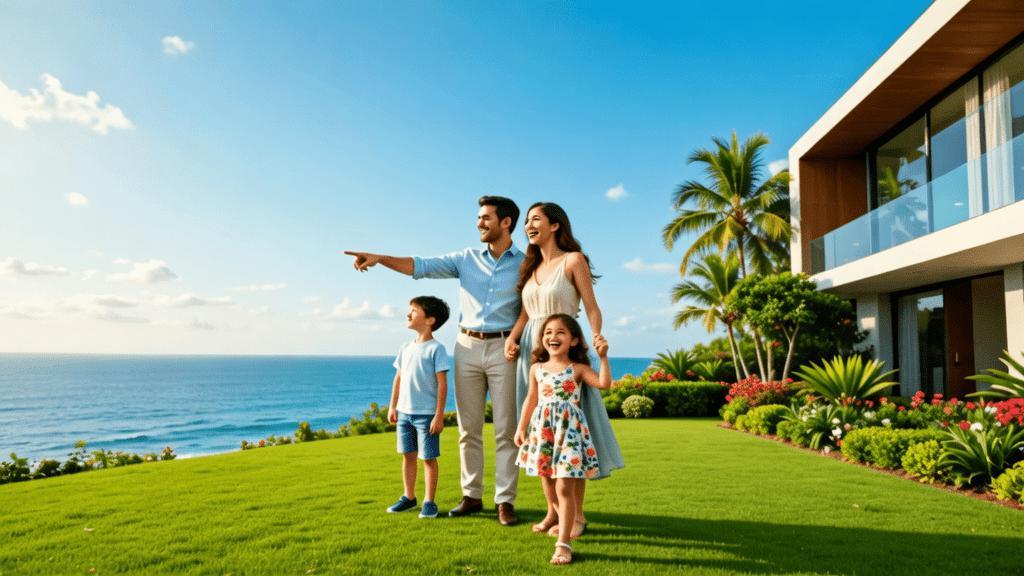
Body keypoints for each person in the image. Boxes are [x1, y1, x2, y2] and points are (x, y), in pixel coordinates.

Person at [344, 196, 524, 526]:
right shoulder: (466, 259)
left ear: (506, 222)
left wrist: (521, 337)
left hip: (505, 348)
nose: (479, 223)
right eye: (478, 218)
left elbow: (532, 304)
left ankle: (505, 501)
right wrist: (380, 258)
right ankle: (472, 496)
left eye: (486, 218)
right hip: (467, 347)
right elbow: (420, 266)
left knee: (504, 430)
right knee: (468, 429)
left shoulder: (526, 263)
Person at [505, 201, 624, 539]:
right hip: (533, 352)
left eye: (536, 219)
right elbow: (527, 314)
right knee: (541, 436)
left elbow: (590, 306)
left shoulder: (573, 261)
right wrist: (513, 339)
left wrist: (597, 336)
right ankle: (553, 513)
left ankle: (577, 516)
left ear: (555, 225)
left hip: (566, 346)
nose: (528, 225)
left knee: (570, 438)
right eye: (526, 221)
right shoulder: (530, 270)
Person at [515, 314, 611, 565]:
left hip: (570, 432)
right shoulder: (536, 368)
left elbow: (603, 383)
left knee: (564, 486)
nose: (552, 337)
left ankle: (563, 544)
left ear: (574, 340)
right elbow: (531, 399)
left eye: (560, 332)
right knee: (546, 480)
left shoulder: (578, 369)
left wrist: (603, 357)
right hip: (543, 431)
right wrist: (521, 428)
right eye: (548, 332)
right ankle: (563, 520)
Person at [385, 296, 451, 519]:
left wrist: (439, 416)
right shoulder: (405, 348)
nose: (408, 314)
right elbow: (398, 379)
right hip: (404, 414)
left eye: (414, 310)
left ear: (430, 320)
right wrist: (392, 407)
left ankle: (429, 502)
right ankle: (408, 497)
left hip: (426, 416)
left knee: (429, 459)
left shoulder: (436, 349)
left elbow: (442, 384)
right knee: (408, 456)